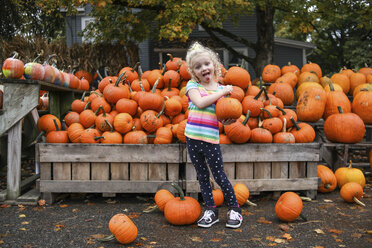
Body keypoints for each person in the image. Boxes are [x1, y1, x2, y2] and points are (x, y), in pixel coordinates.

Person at [184, 41, 243, 228]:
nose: (203, 68)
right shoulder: (192, 86)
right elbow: (200, 104)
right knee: (202, 176)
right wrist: (223, 91)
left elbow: (222, 114)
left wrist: (227, 121)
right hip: (192, 139)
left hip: (210, 140)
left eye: (207, 64)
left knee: (219, 176)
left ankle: (234, 209)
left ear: (214, 65)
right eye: (198, 66)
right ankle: (211, 210)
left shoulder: (219, 90)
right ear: (193, 72)